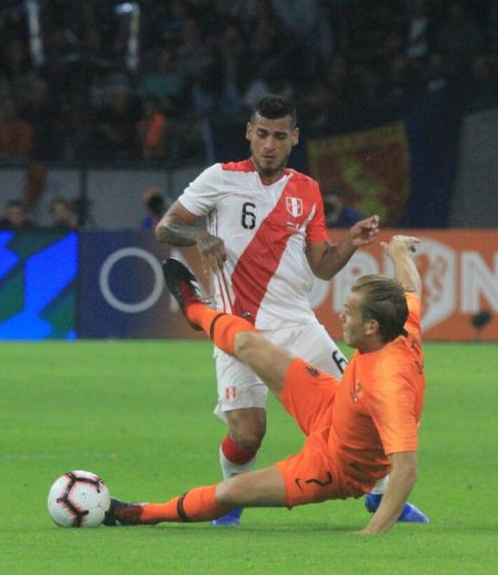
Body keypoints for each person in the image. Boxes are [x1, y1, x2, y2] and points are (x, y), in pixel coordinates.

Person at [155, 94, 428, 525]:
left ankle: (379, 495)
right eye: (262, 134)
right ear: (249, 132)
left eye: (279, 136)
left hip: (296, 323)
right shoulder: (219, 178)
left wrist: (349, 243)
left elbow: (322, 267)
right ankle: (231, 498)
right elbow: (166, 226)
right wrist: (198, 237)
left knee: (361, 405)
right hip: (238, 327)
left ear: (294, 138)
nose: (269, 144)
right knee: (247, 432)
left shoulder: (306, 190)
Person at [104, 235, 426, 533]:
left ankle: (140, 513)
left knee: (231, 492)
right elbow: (410, 289)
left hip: (337, 465)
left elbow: (406, 470)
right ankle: (196, 310)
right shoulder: (400, 321)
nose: (341, 318)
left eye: (348, 313)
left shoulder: (389, 386)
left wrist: (372, 533)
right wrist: (399, 252)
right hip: (331, 402)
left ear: (371, 327)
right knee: (247, 344)